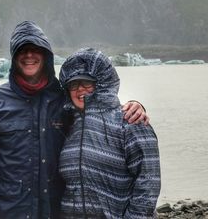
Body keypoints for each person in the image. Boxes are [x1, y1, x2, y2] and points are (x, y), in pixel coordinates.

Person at [0, 21, 149, 219]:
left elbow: (97, 108)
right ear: (14, 56)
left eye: (36, 49)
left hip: (56, 207)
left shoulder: (62, 96)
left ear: (46, 55)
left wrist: (133, 105)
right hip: (11, 207)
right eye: (22, 50)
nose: (29, 55)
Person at [59, 48, 161, 218]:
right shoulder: (67, 125)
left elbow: (148, 185)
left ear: (102, 82)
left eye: (87, 83)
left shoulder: (131, 122)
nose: (80, 89)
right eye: (73, 84)